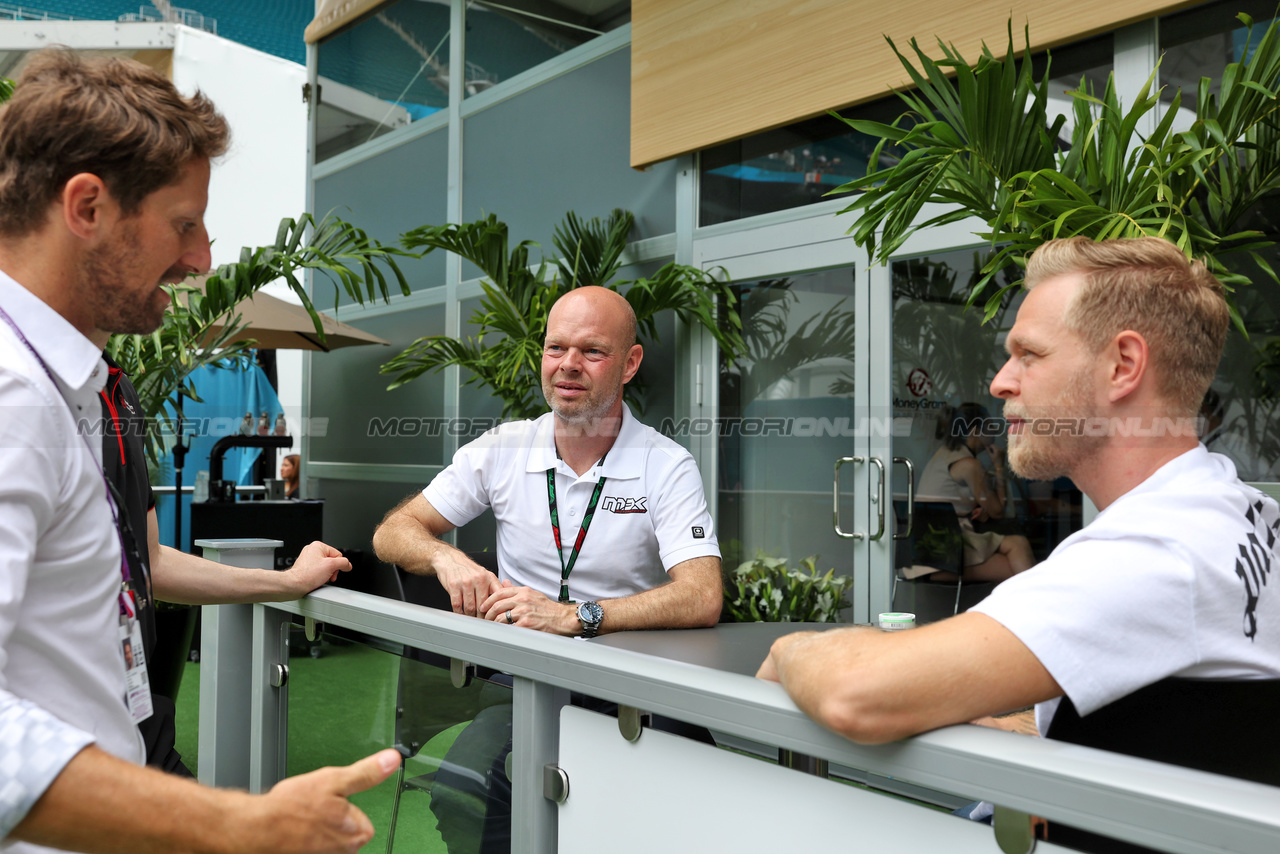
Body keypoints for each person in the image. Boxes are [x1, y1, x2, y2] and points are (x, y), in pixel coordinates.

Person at [0, 48, 397, 853]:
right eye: (184, 225)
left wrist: (281, 580)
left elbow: (131, 562)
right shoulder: (15, 396)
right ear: (86, 207)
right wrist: (239, 822)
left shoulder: (75, 384)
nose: (202, 263)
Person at [758, 237, 1280, 846]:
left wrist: (792, 647)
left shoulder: (1156, 550)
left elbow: (856, 695)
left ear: (1122, 367)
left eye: (1028, 354)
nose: (1002, 382)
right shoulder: (1244, 515)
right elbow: (1170, 729)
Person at [373, 285, 722, 854]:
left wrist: (574, 617)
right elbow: (392, 532)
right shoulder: (503, 449)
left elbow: (702, 595)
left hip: (630, 684)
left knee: (675, 806)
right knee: (461, 791)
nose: (568, 366)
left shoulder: (665, 464)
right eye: (556, 348)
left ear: (630, 363)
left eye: (592, 351)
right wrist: (447, 556)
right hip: (522, 680)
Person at [100, 355, 355, 775]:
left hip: (136, 717)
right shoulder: (25, 383)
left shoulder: (119, 390)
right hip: (60, 737)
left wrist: (289, 581)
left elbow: (151, 563)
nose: (176, 283)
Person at [914, 402, 1034, 582]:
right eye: (990, 425)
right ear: (976, 431)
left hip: (925, 548)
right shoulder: (970, 464)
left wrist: (979, 507)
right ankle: (1039, 605)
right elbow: (998, 511)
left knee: (1017, 554)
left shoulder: (944, 454)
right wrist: (998, 466)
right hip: (942, 554)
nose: (995, 430)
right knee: (1018, 553)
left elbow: (955, 496)